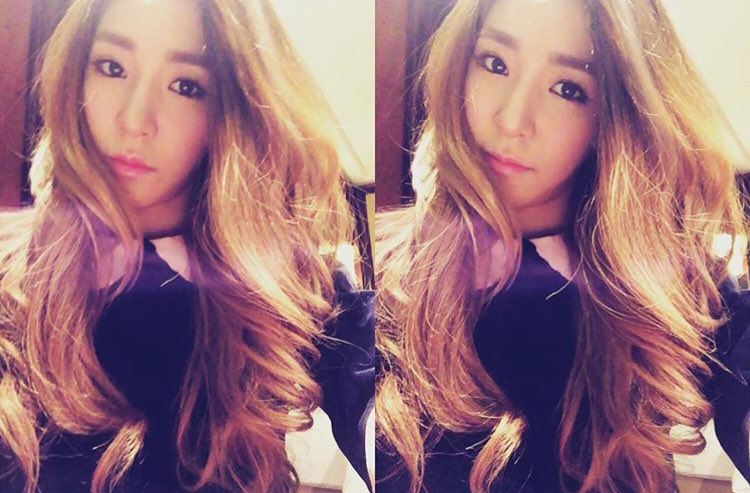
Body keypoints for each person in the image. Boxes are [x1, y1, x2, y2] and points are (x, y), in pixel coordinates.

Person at [375, 0, 750, 492]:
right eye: (495, 63)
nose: (513, 119)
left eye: (568, 89)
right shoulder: (387, 280)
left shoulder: (674, 291)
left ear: (614, 114)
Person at [0, 0, 374, 492]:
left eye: (185, 86)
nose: (134, 119)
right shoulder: (13, 276)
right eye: (112, 67)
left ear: (232, 111)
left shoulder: (299, 290)